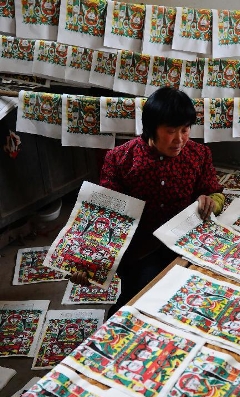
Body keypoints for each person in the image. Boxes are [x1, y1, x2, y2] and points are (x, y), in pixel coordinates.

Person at [71, 87, 225, 314]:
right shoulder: (120, 159)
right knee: (136, 304)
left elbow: (215, 192)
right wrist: (88, 260)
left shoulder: (199, 155)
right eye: (171, 131)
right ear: (151, 129)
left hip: (185, 244)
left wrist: (212, 201)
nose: (180, 140)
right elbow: (106, 214)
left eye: (185, 130)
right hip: (141, 251)